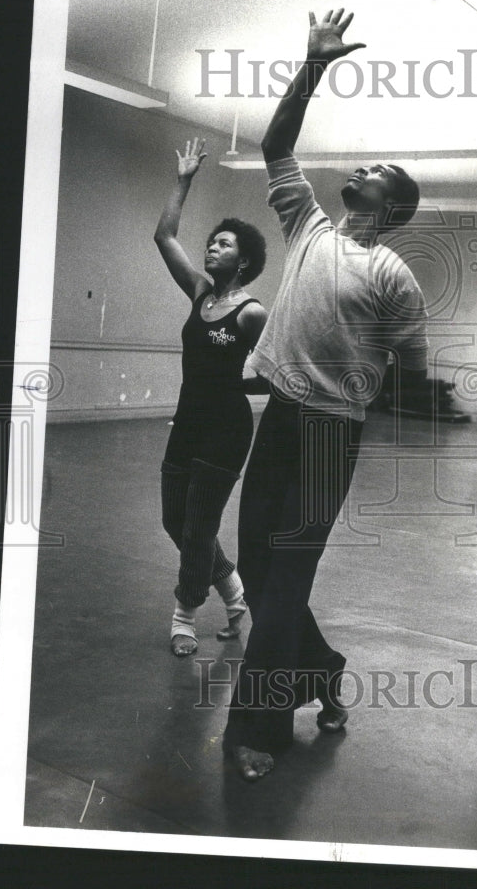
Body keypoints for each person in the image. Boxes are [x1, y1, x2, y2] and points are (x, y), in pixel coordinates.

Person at [223, 9, 429, 781]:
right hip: (279, 419)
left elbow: (407, 362)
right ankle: (322, 669)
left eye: (379, 170)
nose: (364, 168)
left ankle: (260, 731)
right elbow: (277, 145)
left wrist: (349, 373)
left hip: (328, 435)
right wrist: (312, 66)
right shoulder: (308, 227)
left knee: (284, 585)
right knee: (256, 564)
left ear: (391, 205)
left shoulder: (393, 275)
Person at [154, 138, 269, 657]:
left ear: (243, 262)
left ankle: (184, 615)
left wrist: (233, 385)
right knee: (173, 521)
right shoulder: (201, 292)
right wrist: (183, 180)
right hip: (188, 423)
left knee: (198, 526)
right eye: (212, 243)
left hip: (226, 430)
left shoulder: (251, 312)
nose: (212, 248)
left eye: (223, 244)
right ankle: (234, 591)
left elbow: (277, 373)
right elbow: (164, 235)